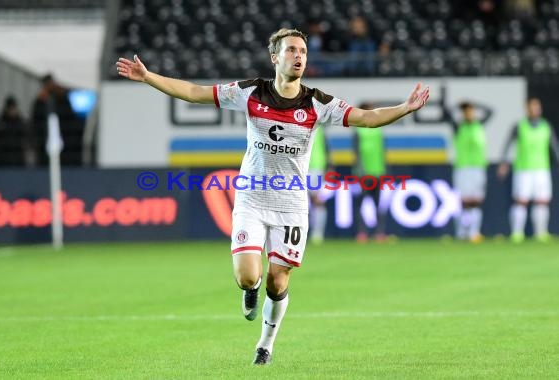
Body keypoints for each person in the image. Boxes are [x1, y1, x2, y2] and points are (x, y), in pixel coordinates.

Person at [116, 28, 429, 365]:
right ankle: (250, 292)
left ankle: (265, 345)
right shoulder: (251, 91)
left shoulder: (317, 102)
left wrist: (404, 108)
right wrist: (148, 77)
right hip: (252, 198)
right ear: (275, 57)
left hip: (291, 205)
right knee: (249, 276)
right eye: (292, 50)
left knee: (278, 282)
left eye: (303, 52)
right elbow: (194, 92)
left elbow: (367, 118)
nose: (299, 56)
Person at [497, 97, 559, 242]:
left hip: (541, 169)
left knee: (542, 201)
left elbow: (554, 147)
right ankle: (517, 233)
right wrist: (504, 163)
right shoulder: (519, 126)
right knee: (521, 201)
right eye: (532, 107)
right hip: (523, 169)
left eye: (537, 107)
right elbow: (508, 145)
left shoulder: (546, 126)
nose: (534, 109)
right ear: (527, 109)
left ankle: (541, 232)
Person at [447, 101, 492, 242]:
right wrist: (458, 105)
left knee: (476, 201)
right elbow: (447, 113)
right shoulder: (458, 127)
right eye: (466, 111)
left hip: (478, 167)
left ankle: (474, 232)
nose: (469, 113)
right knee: (463, 202)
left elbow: (491, 111)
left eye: (471, 110)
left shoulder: (479, 125)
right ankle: (461, 232)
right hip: (463, 168)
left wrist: (475, 105)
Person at [353, 101, 388, 243]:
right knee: (362, 204)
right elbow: (356, 153)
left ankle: (380, 233)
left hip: (378, 171)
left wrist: (386, 170)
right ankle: (362, 233)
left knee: (378, 204)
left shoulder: (379, 129)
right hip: (364, 173)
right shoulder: (358, 130)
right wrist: (357, 171)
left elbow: (383, 151)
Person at [0, 96, 36, 167]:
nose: (12, 110)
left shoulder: (21, 123)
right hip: (2, 162)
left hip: (19, 162)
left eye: (13, 108)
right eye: (10, 108)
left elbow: (27, 138)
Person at [308, 125, 332, 244]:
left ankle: (317, 233)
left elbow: (326, 147)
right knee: (298, 202)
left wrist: (329, 166)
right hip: (300, 166)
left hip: (316, 167)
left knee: (317, 200)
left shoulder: (319, 126)